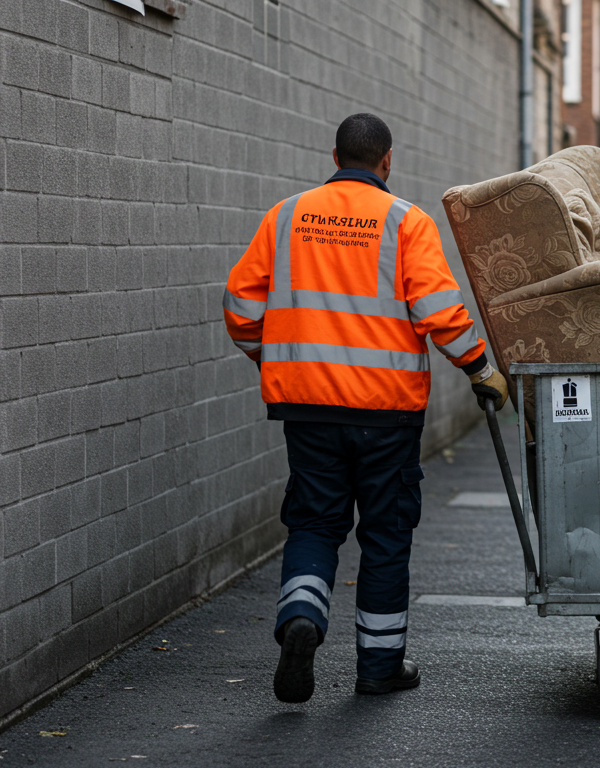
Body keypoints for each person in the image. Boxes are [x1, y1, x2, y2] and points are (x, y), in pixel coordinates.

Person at [222, 113, 508, 702]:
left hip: (306, 409)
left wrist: (271, 360)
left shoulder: (286, 216)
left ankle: (302, 618)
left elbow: (240, 307)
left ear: (334, 157)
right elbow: (437, 310)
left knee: (315, 522)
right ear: (387, 160)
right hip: (387, 413)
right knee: (384, 534)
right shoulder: (407, 221)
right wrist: (480, 369)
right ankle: (378, 667)